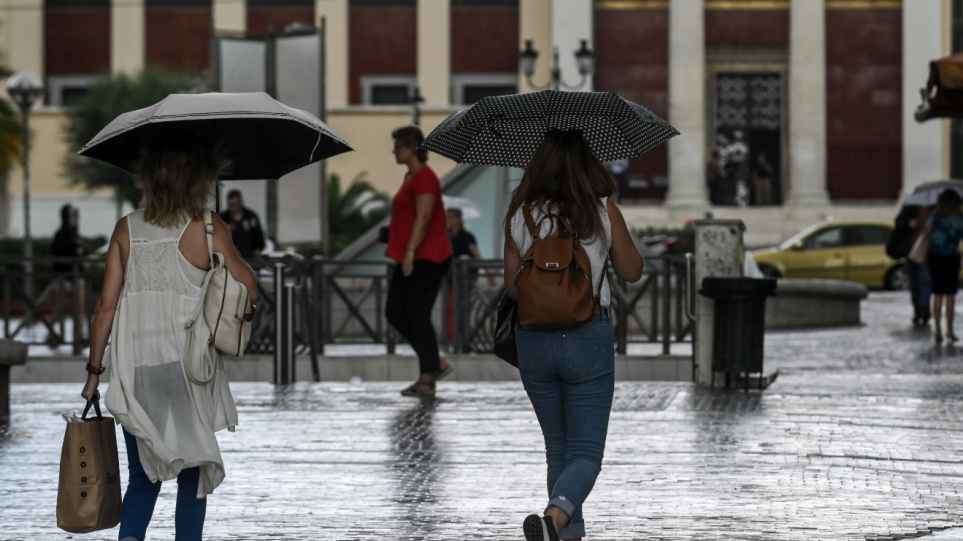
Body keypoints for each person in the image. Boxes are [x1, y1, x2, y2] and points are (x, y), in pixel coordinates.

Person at [80, 130, 258, 541]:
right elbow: (247, 285)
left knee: (143, 476)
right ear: (199, 176)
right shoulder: (208, 226)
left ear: (150, 176)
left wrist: (93, 374)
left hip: (136, 368)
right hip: (187, 367)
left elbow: (105, 307)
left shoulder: (126, 228)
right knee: (192, 472)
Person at [503, 130, 645, 541]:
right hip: (587, 336)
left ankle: (563, 535)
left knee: (558, 449)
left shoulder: (520, 214)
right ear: (587, 167)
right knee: (585, 453)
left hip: (532, 339)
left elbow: (514, 288)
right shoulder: (602, 212)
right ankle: (556, 517)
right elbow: (633, 271)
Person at [384, 126, 454, 397]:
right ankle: (434, 363)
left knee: (417, 316)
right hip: (410, 255)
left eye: (398, 146)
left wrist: (411, 251)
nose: (394, 151)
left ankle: (427, 376)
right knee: (395, 312)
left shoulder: (425, 177)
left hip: (428, 255)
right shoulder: (410, 177)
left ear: (411, 147)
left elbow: (424, 217)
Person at [927, 189, 963, 343]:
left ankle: (937, 330)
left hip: (934, 256)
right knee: (950, 293)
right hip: (951, 257)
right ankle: (949, 330)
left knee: (937, 292)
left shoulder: (936, 214)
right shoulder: (959, 217)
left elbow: (926, 230)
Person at [49, 204, 88, 345]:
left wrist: (80, 250)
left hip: (77, 276)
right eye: (73, 216)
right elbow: (58, 254)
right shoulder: (60, 235)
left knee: (80, 308)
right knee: (59, 307)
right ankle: (50, 334)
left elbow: (83, 253)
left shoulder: (75, 235)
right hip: (63, 277)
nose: (75, 219)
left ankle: (80, 335)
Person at [893, 205, 932, 325]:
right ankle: (918, 310)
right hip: (911, 251)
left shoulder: (934, 210)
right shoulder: (910, 208)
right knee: (915, 283)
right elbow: (899, 223)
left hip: (928, 251)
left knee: (925, 281)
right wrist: (908, 224)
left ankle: (924, 307)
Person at [219, 189, 265, 258]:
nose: (233, 207)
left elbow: (258, 234)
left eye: (235, 204)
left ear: (241, 202)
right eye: (231, 204)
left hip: (250, 256)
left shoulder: (250, 216)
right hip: (231, 257)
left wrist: (258, 248)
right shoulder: (224, 218)